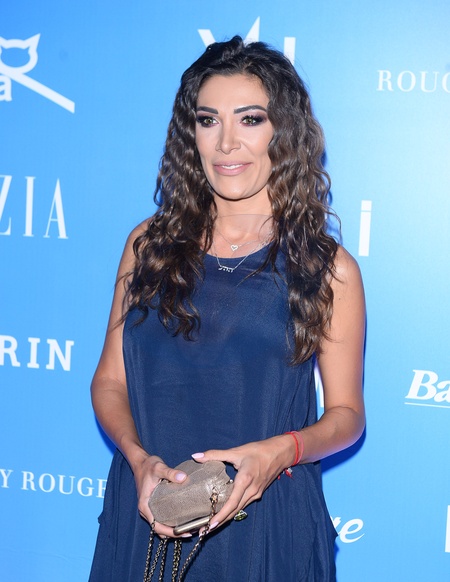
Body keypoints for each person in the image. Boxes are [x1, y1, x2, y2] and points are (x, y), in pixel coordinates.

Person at [89, 35, 365, 582]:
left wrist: (281, 451)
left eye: (250, 119)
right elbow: (110, 382)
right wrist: (138, 459)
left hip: (266, 522)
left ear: (284, 133)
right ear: (189, 133)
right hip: (149, 510)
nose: (226, 143)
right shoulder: (147, 245)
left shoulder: (326, 268)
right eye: (208, 120)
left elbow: (347, 417)